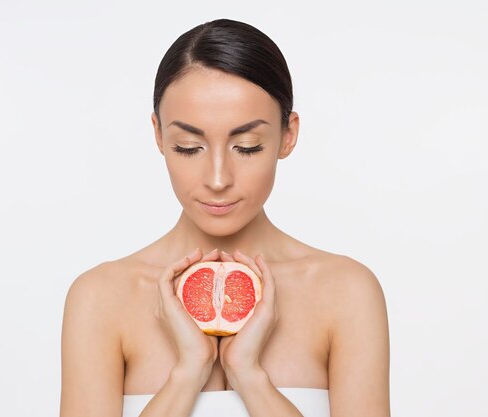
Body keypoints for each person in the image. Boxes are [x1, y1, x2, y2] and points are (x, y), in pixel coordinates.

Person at [59, 18, 390, 417]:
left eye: (247, 147)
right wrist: (188, 372)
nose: (218, 179)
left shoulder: (346, 293)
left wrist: (249, 374)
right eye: (188, 147)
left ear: (288, 135)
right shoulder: (100, 298)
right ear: (159, 135)